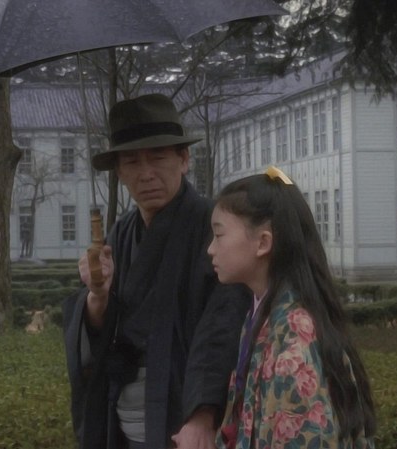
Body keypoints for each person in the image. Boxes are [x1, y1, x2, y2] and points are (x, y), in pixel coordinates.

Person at [63, 93, 250, 449]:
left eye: (158, 157)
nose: (146, 173)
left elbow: (224, 324)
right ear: (119, 172)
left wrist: (203, 414)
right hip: (124, 420)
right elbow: (101, 335)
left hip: (186, 417)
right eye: (132, 161)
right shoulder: (121, 233)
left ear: (184, 159)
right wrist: (97, 295)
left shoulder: (212, 228)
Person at [207, 166, 376, 448]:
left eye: (219, 235)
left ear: (263, 242)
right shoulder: (262, 315)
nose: (210, 248)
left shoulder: (295, 340)